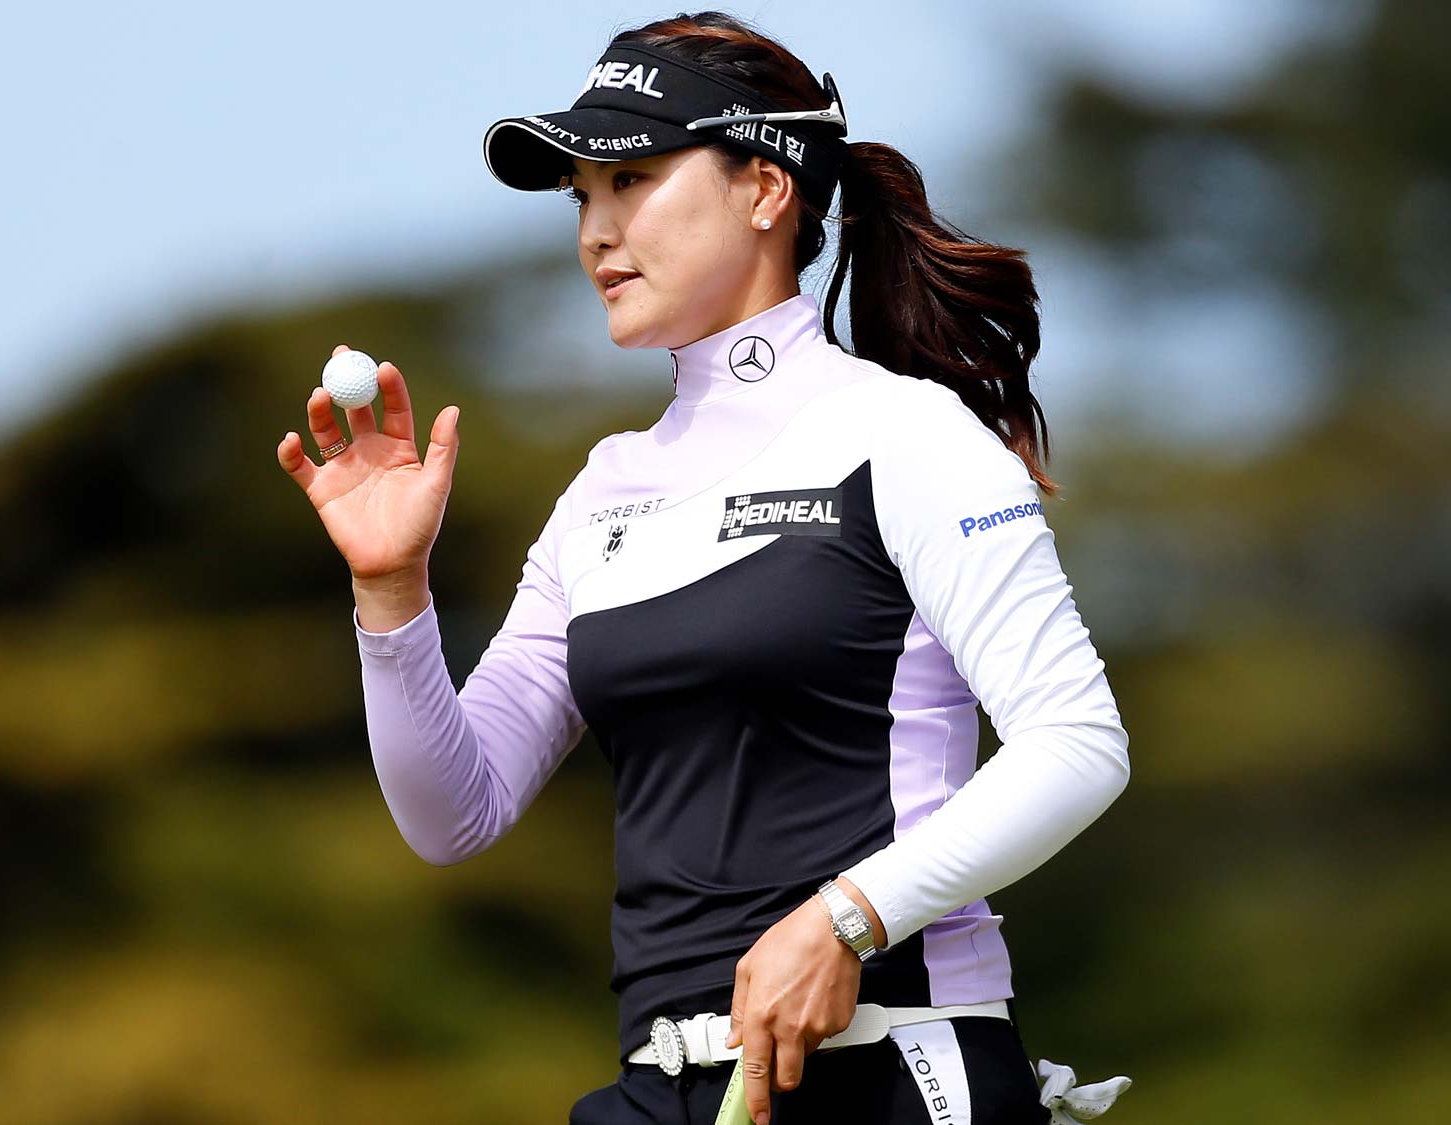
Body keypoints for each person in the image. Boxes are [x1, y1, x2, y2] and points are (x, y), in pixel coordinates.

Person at [275, 10, 1132, 1124]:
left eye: (630, 179)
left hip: (893, 1070)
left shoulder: (906, 434)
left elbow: (1076, 744)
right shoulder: (603, 490)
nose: (594, 230)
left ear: (766, 187)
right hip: (658, 1091)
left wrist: (844, 918)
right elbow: (456, 813)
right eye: (581, 198)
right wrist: (390, 592)